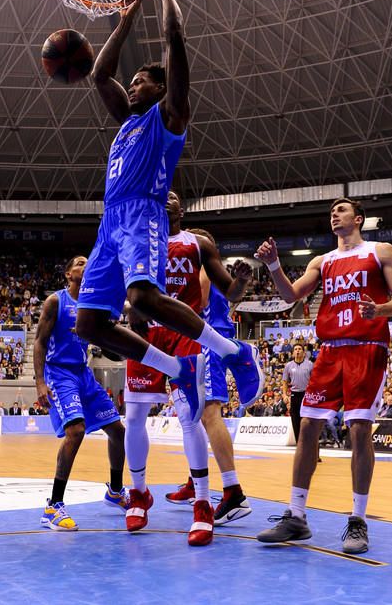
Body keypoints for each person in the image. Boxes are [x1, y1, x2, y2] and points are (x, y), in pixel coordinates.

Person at [75, 0, 262, 527]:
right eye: (133, 85)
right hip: (111, 223)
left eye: (142, 82)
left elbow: (176, 44)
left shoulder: (168, 116)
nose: (133, 86)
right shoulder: (125, 121)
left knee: (143, 300)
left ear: (160, 89)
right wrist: (125, 14)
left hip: (144, 216)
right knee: (89, 325)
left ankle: (234, 353)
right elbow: (99, 74)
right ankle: (173, 368)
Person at [255, 197, 392, 554]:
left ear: (358, 218)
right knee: (307, 426)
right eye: (331, 212)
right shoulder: (322, 261)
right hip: (329, 350)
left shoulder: (380, 251)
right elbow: (290, 295)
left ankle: (357, 520)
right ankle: (296, 516)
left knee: (358, 429)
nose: (333, 215)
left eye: (341, 210)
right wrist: (274, 264)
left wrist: (379, 309)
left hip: (366, 347)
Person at [125, 200, 260, 545]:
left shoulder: (197, 245)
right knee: (137, 414)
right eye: (162, 197)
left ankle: (208, 500)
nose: (167, 200)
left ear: (182, 211)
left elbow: (221, 293)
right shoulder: (136, 238)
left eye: (174, 198)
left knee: (195, 415)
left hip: (190, 333)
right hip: (149, 331)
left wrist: (240, 282)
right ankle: (140, 493)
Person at [166, 226, 256, 531]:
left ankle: (233, 492)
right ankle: (195, 480)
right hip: (207, 340)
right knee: (192, 415)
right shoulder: (212, 269)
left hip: (207, 341)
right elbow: (234, 294)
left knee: (209, 413)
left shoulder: (200, 265)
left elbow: (200, 303)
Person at [34, 256, 129, 531]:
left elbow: (109, 350)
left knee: (118, 431)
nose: (85, 264)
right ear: (68, 274)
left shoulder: (93, 306)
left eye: (88, 261)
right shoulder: (56, 301)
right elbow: (39, 341)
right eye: (79, 262)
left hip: (83, 373)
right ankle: (53, 506)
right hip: (59, 372)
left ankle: (115, 490)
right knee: (76, 431)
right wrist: (40, 382)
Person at [282, 343, 313, 443]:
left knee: (307, 422)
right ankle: (299, 446)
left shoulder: (309, 364)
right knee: (295, 422)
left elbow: (314, 380)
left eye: (300, 349)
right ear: (293, 353)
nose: (298, 351)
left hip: (306, 395)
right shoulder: (288, 366)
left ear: (304, 353)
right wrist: (284, 394)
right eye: (295, 349)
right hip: (294, 395)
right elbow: (285, 382)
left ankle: (312, 449)